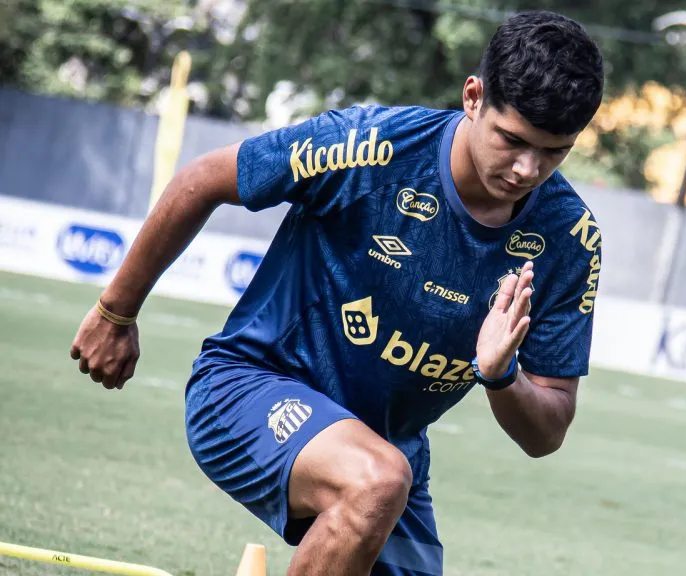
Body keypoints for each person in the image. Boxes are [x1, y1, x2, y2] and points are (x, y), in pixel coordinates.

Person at [69, 10, 605, 576]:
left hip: (389, 449)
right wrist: (115, 312)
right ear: (473, 97)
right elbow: (203, 180)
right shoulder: (368, 146)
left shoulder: (570, 240)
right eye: (512, 140)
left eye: (554, 152)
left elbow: (546, 432)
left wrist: (502, 376)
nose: (527, 169)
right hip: (249, 389)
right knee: (375, 480)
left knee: (381, 476)